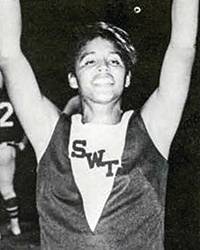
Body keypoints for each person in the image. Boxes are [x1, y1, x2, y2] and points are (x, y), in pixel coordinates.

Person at [0, 0, 198, 249]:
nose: (103, 66)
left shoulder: (153, 129)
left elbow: (182, 49)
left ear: (127, 78)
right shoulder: (48, 133)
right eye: (89, 61)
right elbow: (9, 56)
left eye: (114, 61)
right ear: (73, 79)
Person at [0, 74, 28, 236]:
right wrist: (23, 143)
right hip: (8, 149)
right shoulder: (12, 98)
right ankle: (15, 226)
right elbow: (27, 120)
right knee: (8, 190)